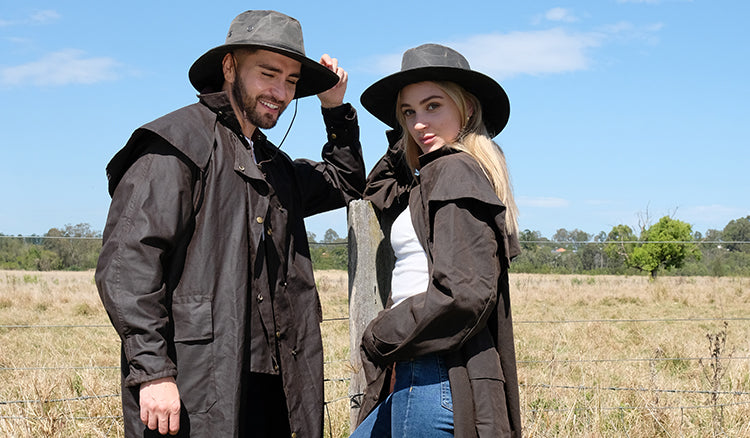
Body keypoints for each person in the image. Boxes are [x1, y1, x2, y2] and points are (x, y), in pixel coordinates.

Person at [95, 10, 364, 437]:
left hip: (273, 384)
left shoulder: (272, 164)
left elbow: (344, 183)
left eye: (292, 81)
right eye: (268, 73)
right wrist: (153, 372)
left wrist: (335, 110)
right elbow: (127, 266)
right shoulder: (176, 144)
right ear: (229, 66)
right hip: (195, 381)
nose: (280, 91)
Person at [351, 43, 522, 437]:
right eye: (408, 112)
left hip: (436, 374)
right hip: (420, 371)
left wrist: (381, 333)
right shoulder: (435, 175)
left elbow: (464, 293)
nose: (418, 123)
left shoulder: (453, 170)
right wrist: (412, 133)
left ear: (468, 109)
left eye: (433, 106)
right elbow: (377, 188)